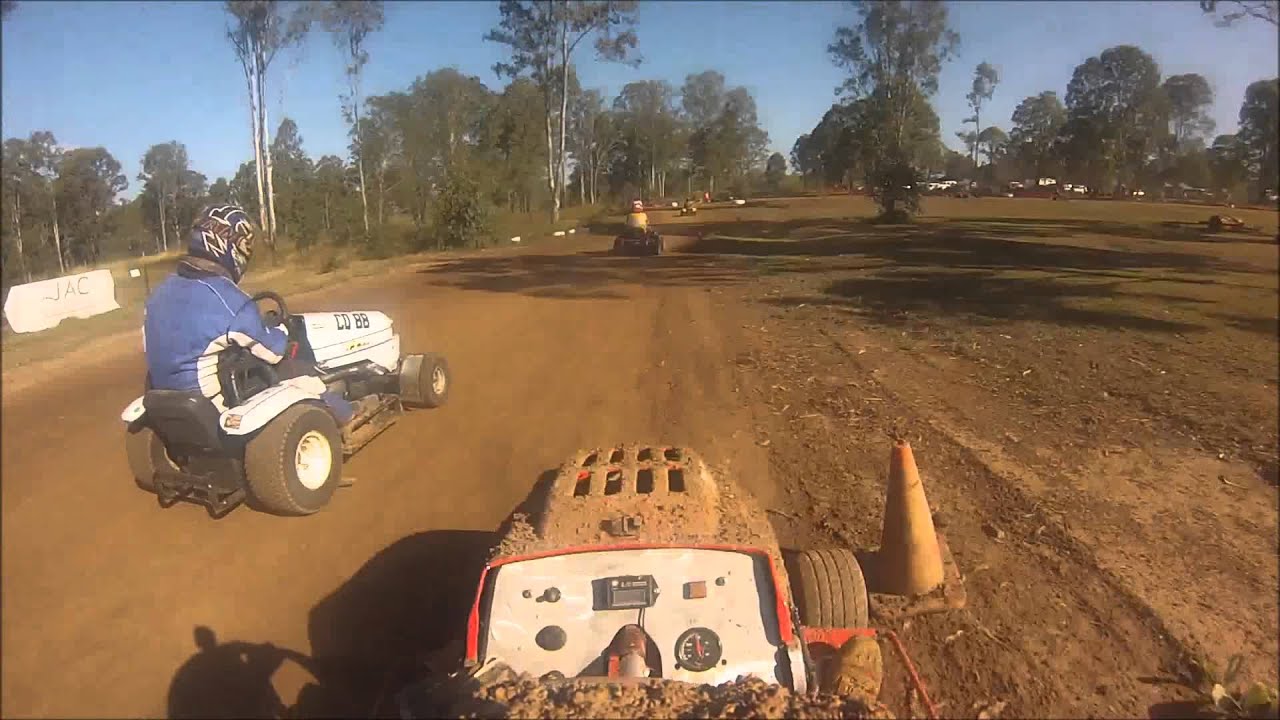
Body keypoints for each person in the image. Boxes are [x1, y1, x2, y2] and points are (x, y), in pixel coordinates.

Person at [143, 205, 354, 423]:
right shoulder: (226, 298)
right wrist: (281, 330)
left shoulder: (159, 292)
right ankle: (346, 415)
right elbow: (275, 351)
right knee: (298, 370)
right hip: (213, 409)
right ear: (229, 246)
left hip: (167, 403)